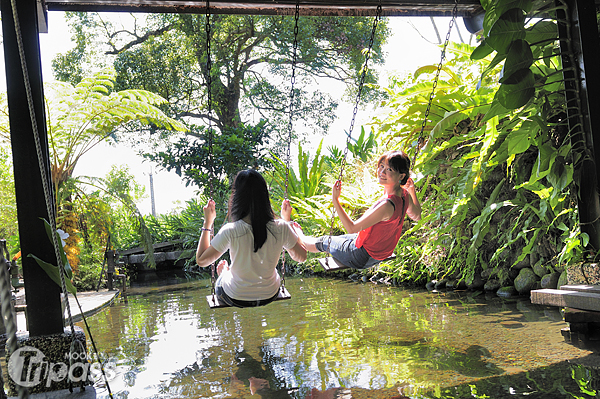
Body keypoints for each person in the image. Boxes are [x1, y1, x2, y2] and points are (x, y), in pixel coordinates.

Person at [196, 169, 307, 308]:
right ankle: (228, 273)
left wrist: (208, 223)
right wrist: (289, 223)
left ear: (237, 198)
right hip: (270, 294)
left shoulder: (231, 230)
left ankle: (224, 272)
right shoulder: (282, 227)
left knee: (223, 279)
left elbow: (201, 260)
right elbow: (302, 257)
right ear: (264, 196)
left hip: (234, 296)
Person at [294, 150, 421, 269]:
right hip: (379, 252)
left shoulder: (387, 206)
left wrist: (335, 200)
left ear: (401, 176)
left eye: (389, 169)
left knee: (323, 241)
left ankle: (297, 234)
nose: (382, 172)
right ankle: (299, 236)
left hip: (362, 257)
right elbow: (417, 215)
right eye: (381, 166)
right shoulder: (404, 195)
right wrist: (411, 191)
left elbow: (352, 228)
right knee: (340, 239)